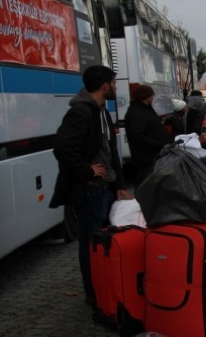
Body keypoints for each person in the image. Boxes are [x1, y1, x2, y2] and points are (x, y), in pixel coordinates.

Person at [49, 65, 133, 306]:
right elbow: (63, 147)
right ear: (105, 85)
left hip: (105, 189)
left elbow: (109, 151)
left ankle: (105, 287)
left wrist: (118, 183)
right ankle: (93, 293)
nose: (117, 87)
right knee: (90, 243)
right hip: (90, 190)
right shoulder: (81, 112)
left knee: (104, 241)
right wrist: (86, 171)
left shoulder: (101, 111)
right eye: (115, 83)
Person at [123, 84, 173, 188]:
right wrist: (159, 144)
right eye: (152, 95)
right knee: (146, 185)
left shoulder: (145, 109)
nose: (153, 97)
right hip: (146, 158)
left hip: (153, 157)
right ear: (146, 96)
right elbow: (138, 136)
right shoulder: (137, 112)